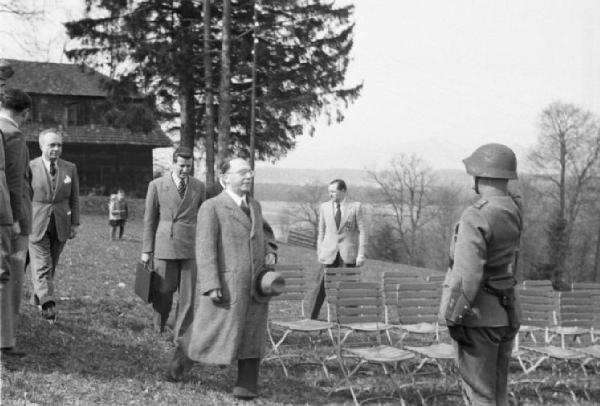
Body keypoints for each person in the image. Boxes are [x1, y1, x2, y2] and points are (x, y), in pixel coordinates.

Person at [167, 157, 278, 400]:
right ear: (225, 178)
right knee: (208, 330)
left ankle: (246, 385)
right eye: (242, 173)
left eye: (250, 172)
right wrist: (210, 284)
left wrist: (269, 251)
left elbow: (266, 233)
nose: (248, 176)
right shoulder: (212, 207)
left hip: (256, 286)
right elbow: (205, 249)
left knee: (252, 332)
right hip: (226, 285)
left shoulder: (255, 206)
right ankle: (181, 359)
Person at [439, 143, 522, 406]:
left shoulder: (476, 215)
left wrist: (453, 316)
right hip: (506, 310)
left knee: (479, 395)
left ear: (481, 175)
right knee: (498, 392)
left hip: (477, 316)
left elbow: (467, 275)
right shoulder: (514, 209)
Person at [141, 147, 205, 341]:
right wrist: (146, 250)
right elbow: (149, 220)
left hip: (190, 246)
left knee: (187, 294)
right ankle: (158, 327)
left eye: (189, 166)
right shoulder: (157, 185)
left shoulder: (199, 187)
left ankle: (183, 333)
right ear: (173, 163)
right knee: (163, 290)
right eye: (182, 165)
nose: (185, 169)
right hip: (165, 245)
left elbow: (203, 218)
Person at [29, 128, 80, 322]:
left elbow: (74, 197)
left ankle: (39, 298)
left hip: (61, 223)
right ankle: (48, 305)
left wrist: (75, 222)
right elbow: (24, 196)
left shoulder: (70, 168)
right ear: (42, 145)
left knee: (52, 264)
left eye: (59, 145)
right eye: (52, 145)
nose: (56, 149)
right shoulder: (30, 167)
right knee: (42, 264)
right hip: (36, 222)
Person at [307, 179, 367, 320]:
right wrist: (319, 251)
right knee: (320, 285)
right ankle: (311, 317)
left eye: (333, 191)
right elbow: (321, 231)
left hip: (348, 253)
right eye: (329, 191)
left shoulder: (356, 207)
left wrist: (361, 254)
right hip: (328, 253)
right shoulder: (324, 207)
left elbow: (363, 232)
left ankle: (350, 319)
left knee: (349, 287)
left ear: (343, 191)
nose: (330, 194)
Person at [0, 88, 28, 356]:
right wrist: (18, 218)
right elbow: (15, 181)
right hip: (9, 216)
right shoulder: (13, 134)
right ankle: (6, 340)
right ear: (25, 113)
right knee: (9, 279)